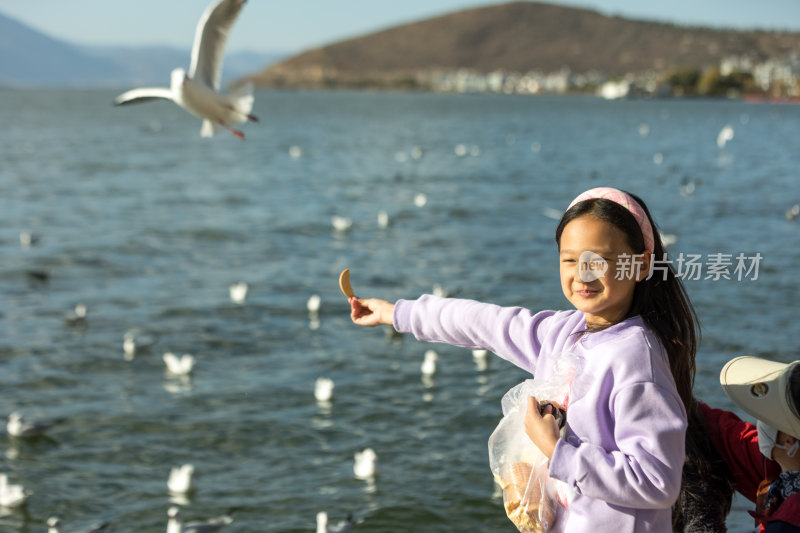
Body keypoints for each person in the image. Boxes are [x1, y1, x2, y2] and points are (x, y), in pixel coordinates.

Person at [347, 186, 700, 532]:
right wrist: (397, 314)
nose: (583, 274)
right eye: (570, 260)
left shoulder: (638, 361)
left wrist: (556, 450)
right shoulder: (563, 332)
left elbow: (657, 481)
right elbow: (483, 323)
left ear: (639, 266)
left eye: (600, 260)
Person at [700, 356, 800, 532]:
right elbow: (727, 433)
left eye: (768, 418)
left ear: (789, 442)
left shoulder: (788, 521)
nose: (760, 422)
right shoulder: (780, 481)